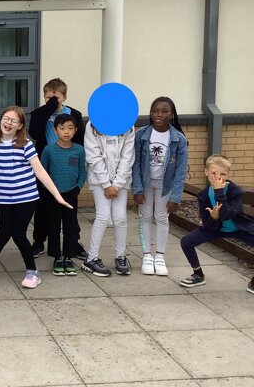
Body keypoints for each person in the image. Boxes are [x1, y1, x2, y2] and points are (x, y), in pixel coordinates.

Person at [0, 106, 72, 289]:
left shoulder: (25, 144)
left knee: (18, 234)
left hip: (26, 197)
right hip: (4, 198)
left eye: (14, 120)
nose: (8, 123)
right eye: (6, 118)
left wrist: (57, 195)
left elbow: (40, 171)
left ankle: (32, 272)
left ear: (20, 126)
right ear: (0, 120)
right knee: (3, 234)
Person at [28, 78, 86, 260]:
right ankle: (39, 241)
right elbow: (35, 133)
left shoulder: (74, 114)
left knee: (69, 209)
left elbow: (80, 140)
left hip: (67, 165)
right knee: (42, 207)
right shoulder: (39, 113)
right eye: (48, 98)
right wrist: (49, 109)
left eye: (57, 98)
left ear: (65, 97)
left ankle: (74, 242)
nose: (53, 101)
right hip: (46, 164)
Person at [180, 155, 254, 290]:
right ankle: (198, 274)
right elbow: (206, 223)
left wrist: (219, 191)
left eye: (223, 174)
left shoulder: (235, 191)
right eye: (214, 173)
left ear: (228, 174)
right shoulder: (203, 195)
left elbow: (227, 215)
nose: (218, 177)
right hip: (216, 229)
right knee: (186, 242)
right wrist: (213, 218)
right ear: (206, 172)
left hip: (239, 228)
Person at [132, 96, 188, 276]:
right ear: (150, 113)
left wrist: (175, 197)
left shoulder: (178, 139)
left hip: (166, 185)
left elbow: (181, 171)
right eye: (155, 111)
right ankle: (147, 256)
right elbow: (135, 164)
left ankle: (160, 257)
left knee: (162, 218)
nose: (159, 115)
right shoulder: (142, 135)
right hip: (146, 184)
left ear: (172, 114)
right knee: (146, 217)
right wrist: (137, 189)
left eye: (164, 111)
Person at [81, 121, 135, 277]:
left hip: (121, 181)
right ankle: (91, 259)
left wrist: (116, 184)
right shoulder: (92, 125)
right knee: (103, 217)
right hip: (99, 180)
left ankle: (120, 257)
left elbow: (128, 157)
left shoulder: (128, 125)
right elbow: (93, 156)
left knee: (120, 218)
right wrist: (106, 184)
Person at [40, 114, 87, 276]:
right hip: (53, 196)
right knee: (53, 226)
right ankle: (57, 257)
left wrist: (77, 188)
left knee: (70, 227)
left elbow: (82, 172)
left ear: (75, 130)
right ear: (55, 130)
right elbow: (42, 172)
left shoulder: (79, 150)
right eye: (62, 128)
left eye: (70, 128)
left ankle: (68, 256)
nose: (66, 131)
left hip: (71, 195)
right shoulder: (49, 150)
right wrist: (49, 191)